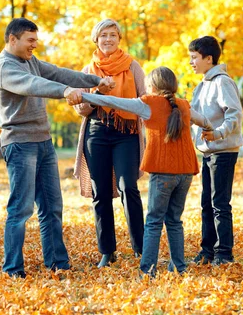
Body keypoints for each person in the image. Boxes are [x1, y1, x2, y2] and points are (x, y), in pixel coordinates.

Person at [0, 17, 115, 278]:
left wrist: (94, 80)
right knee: (21, 209)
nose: (35, 45)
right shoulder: (4, 67)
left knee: (52, 207)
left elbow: (58, 73)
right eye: (30, 40)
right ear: (12, 39)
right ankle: (12, 269)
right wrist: (64, 91)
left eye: (36, 39)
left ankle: (58, 263)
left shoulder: (30, 60)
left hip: (43, 142)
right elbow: (34, 85)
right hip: (20, 143)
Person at [70, 66, 213, 276]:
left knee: (154, 221)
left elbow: (112, 102)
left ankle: (147, 270)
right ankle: (179, 268)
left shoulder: (148, 104)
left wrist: (82, 95)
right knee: (174, 220)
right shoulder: (183, 105)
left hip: (163, 172)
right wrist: (211, 131)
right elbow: (204, 121)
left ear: (153, 86)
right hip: (185, 174)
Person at [72, 18, 146, 268]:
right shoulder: (87, 70)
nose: (108, 39)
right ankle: (107, 251)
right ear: (96, 39)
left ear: (119, 38)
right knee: (100, 193)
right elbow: (81, 109)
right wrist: (99, 94)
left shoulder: (132, 66)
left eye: (113, 35)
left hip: (126, 133)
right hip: (97, 133)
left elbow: (144, 100)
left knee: (128, 188)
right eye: (103, 35)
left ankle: (140, 248)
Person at [188, 36, 243, 266]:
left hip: (223, 151)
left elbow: (234, 114)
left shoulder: (222, 81)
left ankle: (224, 254)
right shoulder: (202, 84)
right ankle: (207, 251)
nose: (191, 62)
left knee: (219, 203)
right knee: (206, 204)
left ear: (209, 59)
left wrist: (218, 133)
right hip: (208, 151)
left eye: (194, 58)